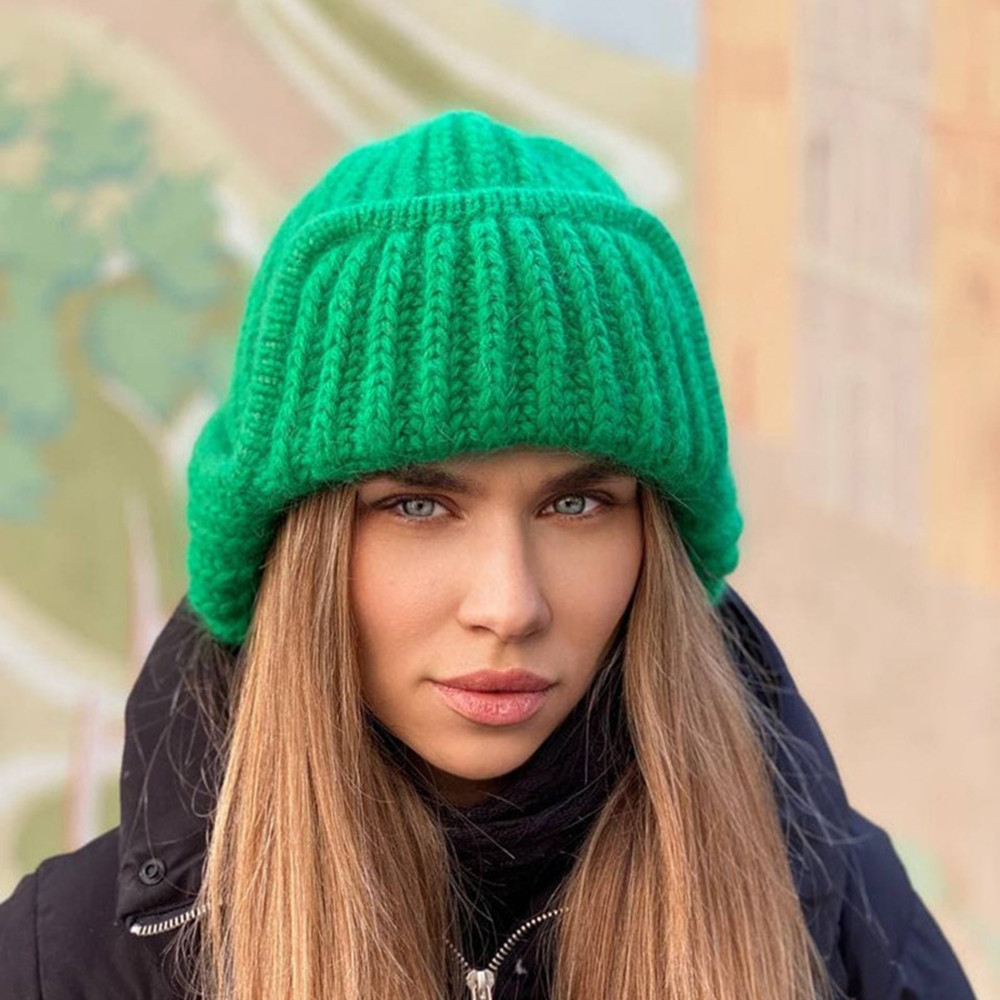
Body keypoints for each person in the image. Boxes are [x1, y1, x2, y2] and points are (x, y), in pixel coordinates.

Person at [0, 110, 977, 1000]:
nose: (510, 605)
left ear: (659, 541)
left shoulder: (846, 927)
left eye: (578, 503)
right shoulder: (63, 963)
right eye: (418, 505)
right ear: (295, 551)